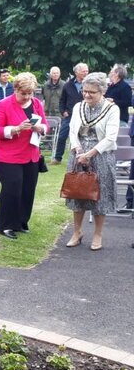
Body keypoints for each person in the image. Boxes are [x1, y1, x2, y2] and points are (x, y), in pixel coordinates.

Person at [64, 72, 120, 251]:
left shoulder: (112, 109)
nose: (87, 95)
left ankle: (98, 234)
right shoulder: (78, 106)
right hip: (78, 154)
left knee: (99, 196)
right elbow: (73, 131)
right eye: (85, 91)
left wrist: (89, 154)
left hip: (101, 156)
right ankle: (77, 232)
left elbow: (111, 137)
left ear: (102, 91)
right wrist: (78, 149)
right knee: (78, 192)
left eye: (92, 92)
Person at [0, 73, 47, 240]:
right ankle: (6, 225)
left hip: (31, 155)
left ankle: (21, 222)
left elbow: (45, 125)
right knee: (12, 189)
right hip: (7, 156)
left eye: (30, 93)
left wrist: (40, 128)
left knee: (28, 190)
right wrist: (15, 129)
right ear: (15, 89)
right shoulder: (4, 104)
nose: (27, 97)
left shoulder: (36, 104)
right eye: (24, 93)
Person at [104, 64, 133, 209]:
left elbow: (128, 102)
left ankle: (120, 162)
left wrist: (113, 101)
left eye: (112, 72)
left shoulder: (125, 87)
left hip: (120, 118)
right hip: (108, 118)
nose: (110, 73)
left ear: (117, 74)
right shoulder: (110, 86)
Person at [53, 62, 88, 164]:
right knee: (62, 136)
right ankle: (57, 158)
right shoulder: (68, 85)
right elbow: (62, 100)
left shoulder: (89, 84)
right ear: (76, 72)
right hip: (69, 116)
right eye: (83, 71)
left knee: (83, 137)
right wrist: (63, 111)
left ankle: (83, 158)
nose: (86, 73)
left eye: (87, 71)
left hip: (85, 116)